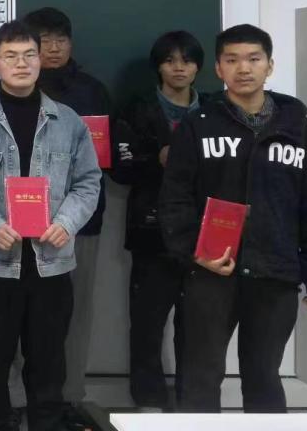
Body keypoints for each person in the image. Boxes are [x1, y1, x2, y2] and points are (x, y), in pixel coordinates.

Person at [160, 24, 307, 412]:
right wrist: (194, 252)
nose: (243, 68)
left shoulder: (297, 129)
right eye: (232, 60)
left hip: (275, 272)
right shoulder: (197, 125)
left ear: (270, 65)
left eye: (253, 59)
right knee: (201, 375)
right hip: (211, 272)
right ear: (218, 68)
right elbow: (175, 198)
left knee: (264, 377)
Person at [0, 20, 101, 431]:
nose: (21, 63)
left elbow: (88, 182)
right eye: (11, 56)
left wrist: (66, 222)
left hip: (51, 260)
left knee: (48, 358)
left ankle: (47, 423)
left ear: (40, 61)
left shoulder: (69, 121)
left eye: (29, 55)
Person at [22, 7, 111, 425]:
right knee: (18, 318)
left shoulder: (92, 91)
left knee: (74, 315)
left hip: (79, 223)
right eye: (44, 40)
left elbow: (105, 158)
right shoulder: (14, 88)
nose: (54, 48)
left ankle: (69, 397)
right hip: (20, 226)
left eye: (61, 39)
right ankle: (19, 398)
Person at [113, 31, 205, 409]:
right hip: (151, 231)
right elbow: (120, 167)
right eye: (170, 60)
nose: (179, 68)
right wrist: (158, 160)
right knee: (147, 324)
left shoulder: (213, 111)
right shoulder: (136, 110)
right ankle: (148, 401)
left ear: (200, 67)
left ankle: (194, 402)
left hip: (204, 234)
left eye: (187, 60)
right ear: (158, 67)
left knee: (198, 327)